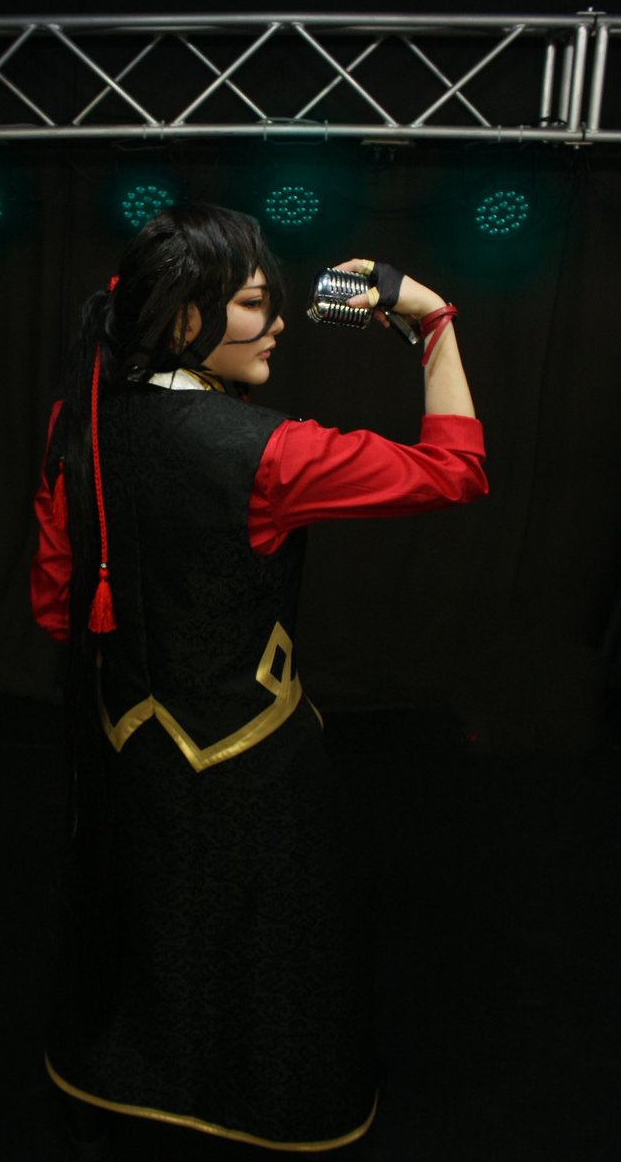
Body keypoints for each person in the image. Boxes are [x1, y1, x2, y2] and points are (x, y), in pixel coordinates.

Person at [30, 203, 488, 1159]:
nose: (278, 323)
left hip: (126, 752)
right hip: (256, 767)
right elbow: (455, 467)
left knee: (148, 935)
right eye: (252, 303)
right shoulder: (266, 454)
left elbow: (53, 601)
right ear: (184, 317)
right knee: (269, 954)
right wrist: (432, 320)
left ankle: (132, 1093)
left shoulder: (78, 417)